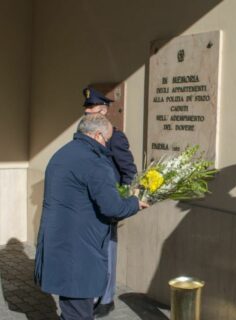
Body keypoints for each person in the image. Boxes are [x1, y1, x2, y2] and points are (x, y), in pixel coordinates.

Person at [34, 114, 149, 320]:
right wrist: (134, 203)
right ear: (97, 135)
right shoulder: (95, 163)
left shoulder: (62, 154)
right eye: (107, 140)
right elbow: (112, 208)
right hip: (79, 252)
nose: (108, 146)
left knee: (70, 308)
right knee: (78, 313)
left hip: (59, 244)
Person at [82, 86, 137, 317]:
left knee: (107, 251)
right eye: (86, 109)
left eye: (91, 108)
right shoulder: (86, 133)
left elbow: (128, 170)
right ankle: (91, 293)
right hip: (89, 200)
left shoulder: (115, 136)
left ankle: (106, 298)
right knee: (92, 250)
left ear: (103, 111)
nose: (87, 112)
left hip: (108, 200)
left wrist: (122, 199)